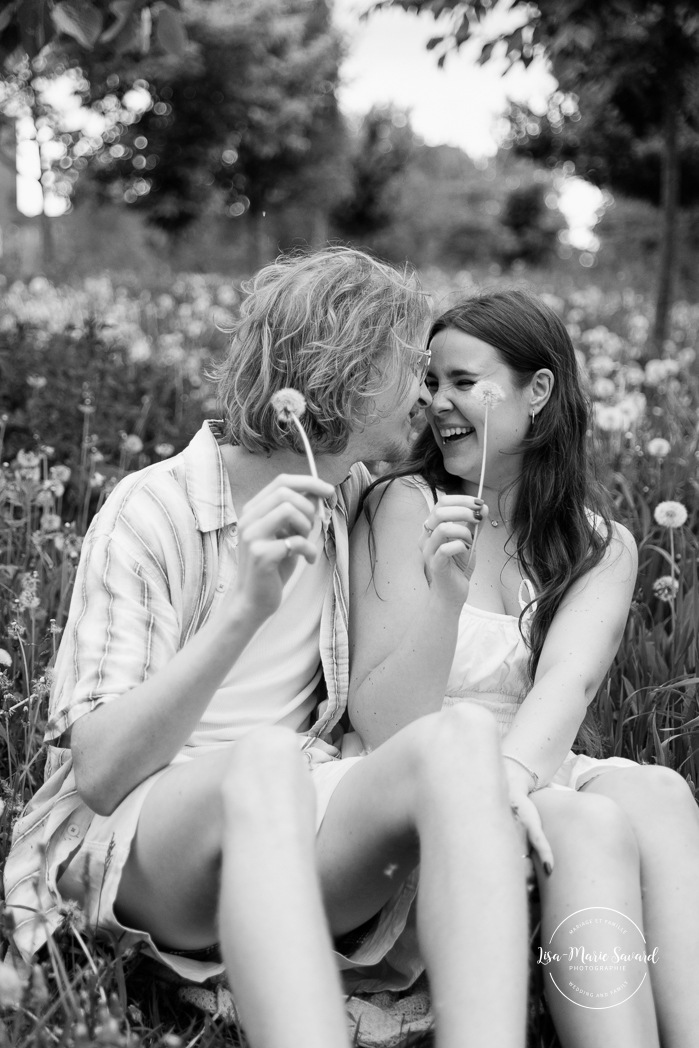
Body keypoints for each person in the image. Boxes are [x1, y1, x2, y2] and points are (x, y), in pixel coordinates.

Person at [4, 249, 531, 1048]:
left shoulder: (350, 494)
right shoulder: (154, 509)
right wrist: (242, 610)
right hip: (143, 846)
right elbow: (104, 772)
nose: (426, 396)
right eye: (409, 370)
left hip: (296, 815)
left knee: (456, 738)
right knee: (265, 759)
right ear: (348, 375)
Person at [347, 288, 699, 1048]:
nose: (438, 403)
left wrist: (509, 782)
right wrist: (482, 795)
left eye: (463, 383)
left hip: (529, 757)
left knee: (661, 789)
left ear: (537, 391)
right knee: (583, 818)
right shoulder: (405, 506)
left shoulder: (599, 544)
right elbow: (380, 721)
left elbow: (565, 687)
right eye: (432, 383)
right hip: (419, 766)